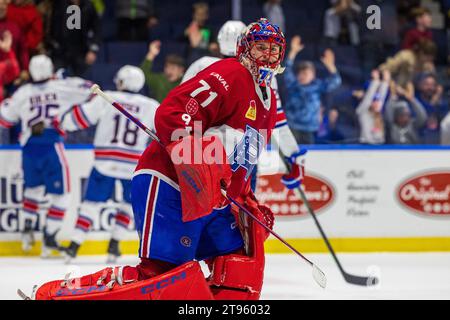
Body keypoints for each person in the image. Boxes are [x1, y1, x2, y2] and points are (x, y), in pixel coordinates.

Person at [33, 18, 286, 300]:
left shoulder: (269, 101)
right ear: (243, 49)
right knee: (161, 276)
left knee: (238, 265)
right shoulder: (231, 72)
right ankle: (63, 295)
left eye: (274, 50)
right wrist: (201, 163)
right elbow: (174, 113)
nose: (267, 55)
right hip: (172, 182)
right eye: (260, 47)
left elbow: (241, 160)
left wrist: (245, 199)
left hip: (214, 198)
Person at [182, 20, 305, 192]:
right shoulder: (266, 74)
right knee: (238, 215)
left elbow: (182, 108)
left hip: (201, 154)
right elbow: (277, 122)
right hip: (241, 159)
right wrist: (293, 155)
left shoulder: (202, 64)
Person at [59, 66, 159, 263]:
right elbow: (164, 131)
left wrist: (63, 122)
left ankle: (74, 246)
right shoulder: (151, 105)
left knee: (91, 205)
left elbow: (76, 120)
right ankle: (115, 245)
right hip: (132, 164)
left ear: (121, 82)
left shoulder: (106, 97)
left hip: (104, 162)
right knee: (128, 204)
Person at [0, 55, 92, 257]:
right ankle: (49, 239)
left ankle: (26, 228)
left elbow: (4, 119)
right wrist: (67, 79)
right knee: (63, 195)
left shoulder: (23, 92)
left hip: (28, 146)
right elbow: (91, 89)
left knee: (33, 189)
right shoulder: (60, 86)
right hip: (51, 143)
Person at [283, 35, 341, 144]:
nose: (302, 75)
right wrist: (293, 52)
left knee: (309, 154)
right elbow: (287, 70)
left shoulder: (317, 86)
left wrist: (331, 66)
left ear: (313, 75)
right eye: (300, 73)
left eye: (306, 73)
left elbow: (335, 81)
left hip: (310, 128)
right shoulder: (293, 84)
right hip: (292, 126)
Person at [356, 69, 390, 144]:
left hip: (378, 148)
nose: (376, 103)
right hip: (364, 148)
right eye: (374, 101)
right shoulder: (362, 112)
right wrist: (375, 81)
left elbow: (381, 97)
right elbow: (368, 97)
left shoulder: (378, 113)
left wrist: (385, 82)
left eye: (377, 101)